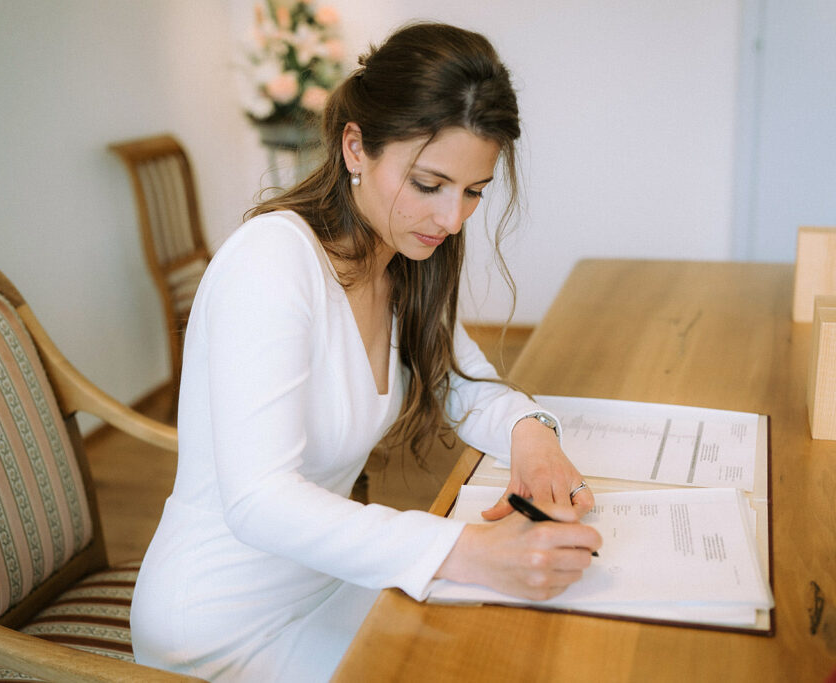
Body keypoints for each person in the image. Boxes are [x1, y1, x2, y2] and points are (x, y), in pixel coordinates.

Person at [130, 21, 601, 681]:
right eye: (430, 183)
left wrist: (530, 431)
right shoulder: (273, 262)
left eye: (472, 192)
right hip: (220, 625)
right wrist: (464, 549)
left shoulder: (401, 257)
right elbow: (259, 499)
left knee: (509, 649)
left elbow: (460, 382)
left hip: (329, 580)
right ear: (356, 147)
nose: (451, 219)